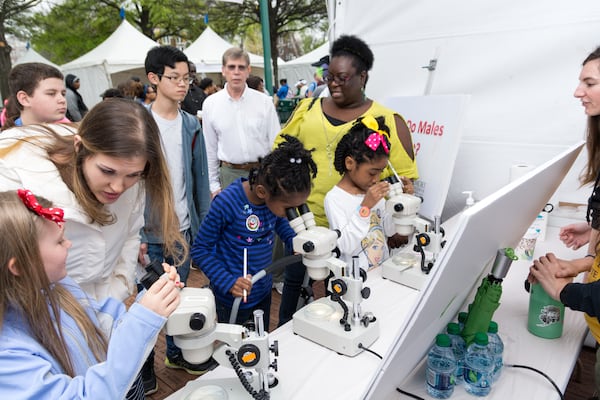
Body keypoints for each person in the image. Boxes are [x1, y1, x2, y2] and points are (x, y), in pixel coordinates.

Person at [0, 98, 186, 396]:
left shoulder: (64, 291)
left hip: (94, 324)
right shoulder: (15, 347)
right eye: (108, 172)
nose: (118, 187)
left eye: (133, 176)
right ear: (79, 149)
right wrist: (137, 321)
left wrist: (140, 302)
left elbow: (127, 243)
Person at [274, 34, 418, 325]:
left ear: (362, 77)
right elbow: (279, 155)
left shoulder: (387, 119)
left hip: (356, 225)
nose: (333, 84)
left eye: (342, 77)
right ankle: (285, 336)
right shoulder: (307, 109)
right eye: (330, 77)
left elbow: (402, 177)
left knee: (337, 298)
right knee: (294, 282)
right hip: (305, 220)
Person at [0, 189, 182, 399]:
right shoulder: (8, 358)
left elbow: (104, 325)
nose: (69, 244)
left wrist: (153, 298)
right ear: (20, 266)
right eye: (59, 241)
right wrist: (143, 321)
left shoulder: (60, 287)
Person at [191, 135, 317, 329]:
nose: (291, 214)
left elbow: (281, 223)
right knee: (237, 349)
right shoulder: (227, 203)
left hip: (262, 290)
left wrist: (295, 242)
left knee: (259, 341)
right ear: (261, 192)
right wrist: (227, 282)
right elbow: (200, 250)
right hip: (233, 296)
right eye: (289, 208)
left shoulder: (273, 201)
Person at [143, 45, 212, 377]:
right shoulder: (139, 123)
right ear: (154, 79)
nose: (183, 85)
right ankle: (143, 371)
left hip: (183, 230)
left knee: (178, 300)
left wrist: (204, 229)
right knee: (147, 305)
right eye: (174, 78)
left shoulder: (191, 125)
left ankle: (174, 354)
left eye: (187, 78)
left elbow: (199, 182)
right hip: (148, 232)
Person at [202, 47, 281, 198]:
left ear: (248, 70)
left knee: (264, 220)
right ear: (223, 70)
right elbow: (210, 148)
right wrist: (214, 185)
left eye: (241, 67)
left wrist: (275, 177)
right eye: (231, 67)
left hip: (262, 173)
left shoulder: (264, 102)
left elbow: (275, 142)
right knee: (232, 221)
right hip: (229, 175)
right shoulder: (211, 104)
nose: (236, 72)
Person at [324, 115, 396, 270]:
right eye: (372, 173)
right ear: (350, 163)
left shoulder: (372, 192)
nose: (376, 179)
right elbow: (345, 245)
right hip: (354, 282)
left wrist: (400, 205)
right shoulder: (335, 198)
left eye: (380, 172)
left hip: (381, 274)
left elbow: (389, 230)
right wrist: (365, 208)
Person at [2, 62, 70, 129]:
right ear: (24, 99)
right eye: (51, 93)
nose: (62, 100)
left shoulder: (71, 134)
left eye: (63, 94)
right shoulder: (8, 138)